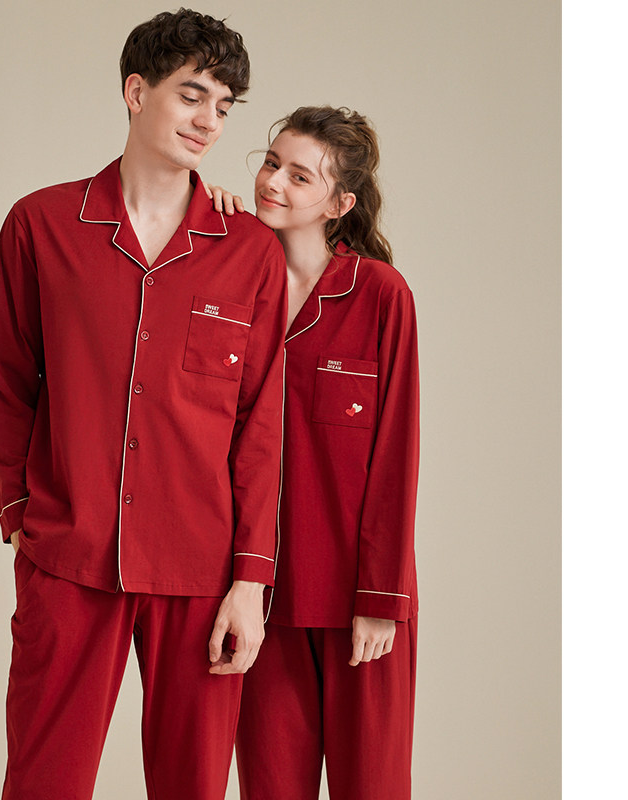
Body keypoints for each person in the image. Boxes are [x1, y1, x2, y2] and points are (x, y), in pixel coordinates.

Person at [0, 9, 287, 800]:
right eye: (192, 95)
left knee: (193, 787)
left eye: (225, 106)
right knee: (43, 782)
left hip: (203, 569)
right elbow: (8, 380)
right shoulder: (41, 225)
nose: (209, 120)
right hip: (68, 554)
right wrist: (20, 511)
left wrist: (250, 581)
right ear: (136, 91)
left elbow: (261, 425)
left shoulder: (249, 250)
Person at [207, 106, 419, 799]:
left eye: (300, 176)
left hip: (358, 595)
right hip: (258, 594)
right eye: (271, 164)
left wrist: (382, 597)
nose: (273, 183)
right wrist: (203, 218)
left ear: (339, 204)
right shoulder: (232, 283)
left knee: (373, 788)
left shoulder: (379, 295)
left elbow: (396, 453)